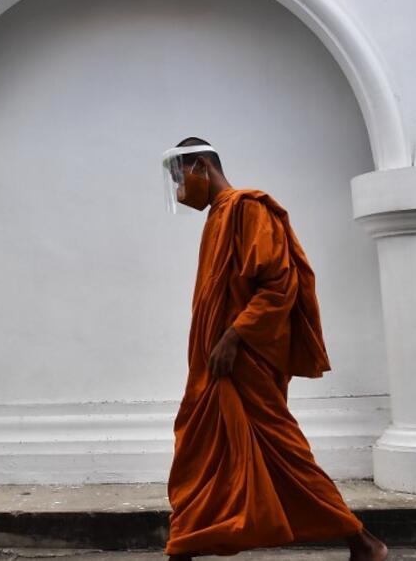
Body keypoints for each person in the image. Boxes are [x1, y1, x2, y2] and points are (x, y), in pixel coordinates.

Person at [160, 137, 388, 561]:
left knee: (285, 455)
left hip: (241, 361)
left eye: (181, 177)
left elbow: (278, 282)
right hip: (215, 366)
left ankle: (364, 541)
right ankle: (183, 549)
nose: (179, 190)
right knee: (200, 453)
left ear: (203, 166)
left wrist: (233, 337)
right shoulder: (217, 218)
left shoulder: (248, 207)